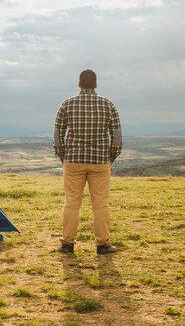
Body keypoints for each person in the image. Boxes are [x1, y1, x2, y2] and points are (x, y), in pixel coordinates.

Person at [53, 69, 122, 255]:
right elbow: (116, 137)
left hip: (73, 161)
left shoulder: (67, 104)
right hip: (100, 161)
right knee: (100, 204)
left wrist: (64, 157)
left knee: (71, 203)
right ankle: (103, 244)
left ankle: (67, 243)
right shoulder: (108, 105)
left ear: (79, 84)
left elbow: (58, 135)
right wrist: (110, 158)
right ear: (96, 84)